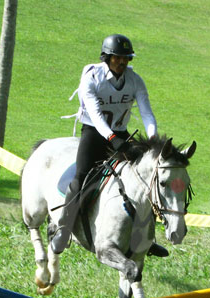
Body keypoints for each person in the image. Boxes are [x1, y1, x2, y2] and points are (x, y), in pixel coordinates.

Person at [50, 34, 169, 258]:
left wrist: (152, 140)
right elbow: (94, 114)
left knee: (145, 178)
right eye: (117, 58)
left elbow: (146, 112)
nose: (122, 63)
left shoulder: (135, 80)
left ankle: (147, 238)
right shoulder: (91, 78)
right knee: (81, 178)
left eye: (126, 59)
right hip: (94, 133)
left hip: (121, 134)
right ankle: (64, 230)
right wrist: (111, 138)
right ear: (107, 57)